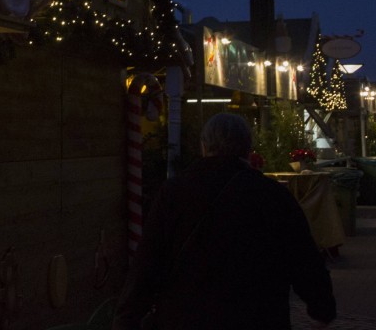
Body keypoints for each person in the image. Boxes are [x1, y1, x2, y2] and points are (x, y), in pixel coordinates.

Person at [114, 111, 336, 330]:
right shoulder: (271, 195)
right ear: (248, 149)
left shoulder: (174, 193)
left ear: (204, 146)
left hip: (185, 317)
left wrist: (127, 317)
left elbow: (148, 260)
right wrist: (322, 307)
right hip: (259, 316)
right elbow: (302, 257)